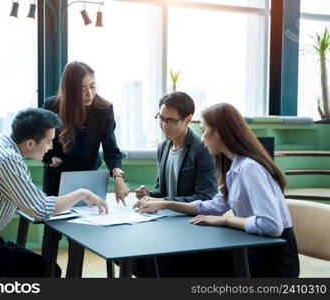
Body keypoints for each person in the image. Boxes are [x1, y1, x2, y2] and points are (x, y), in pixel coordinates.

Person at [0, 108, 108, 278]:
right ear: (30, 143)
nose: (50, 147)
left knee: (43, 266)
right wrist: (81, 193)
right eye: (49, 141)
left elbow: (29, 199)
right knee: (49, 271)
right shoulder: (8, 159)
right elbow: (40, 209)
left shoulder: (0, 145)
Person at [137, 103, 300, 278]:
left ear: (219, 132)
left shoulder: (250, 168)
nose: (201, 139)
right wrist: (164, 204)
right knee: (171, 260)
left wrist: (226, 221)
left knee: (180, 262)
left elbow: (271, 226)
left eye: (203, 130)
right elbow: (213, 205)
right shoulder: (235, 167)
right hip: (253, 246)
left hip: (273, 261)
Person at [132, 92, 218, 277]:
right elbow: (162, 191)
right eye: (161, 119)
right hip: (167, 224)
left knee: (151, 263)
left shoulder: (202, 150)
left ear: (188, 119)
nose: (164, 125)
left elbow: (206, 198)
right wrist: (150, 194)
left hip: (189, 227)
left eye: (171, 120)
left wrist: (163, 201)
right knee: (131, 255)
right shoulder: (164, 147)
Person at [42, 61, 129, 204]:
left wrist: (118, 178)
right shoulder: (52, 106)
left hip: (88, 177)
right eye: (82, 89)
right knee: (55, 223)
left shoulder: (104, 109)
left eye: (92, 86)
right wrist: (49, 158)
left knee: (89, 220)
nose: (89, 94)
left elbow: (111, 150)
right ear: (70, 90)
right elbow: (40, 141)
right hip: (57, 177)